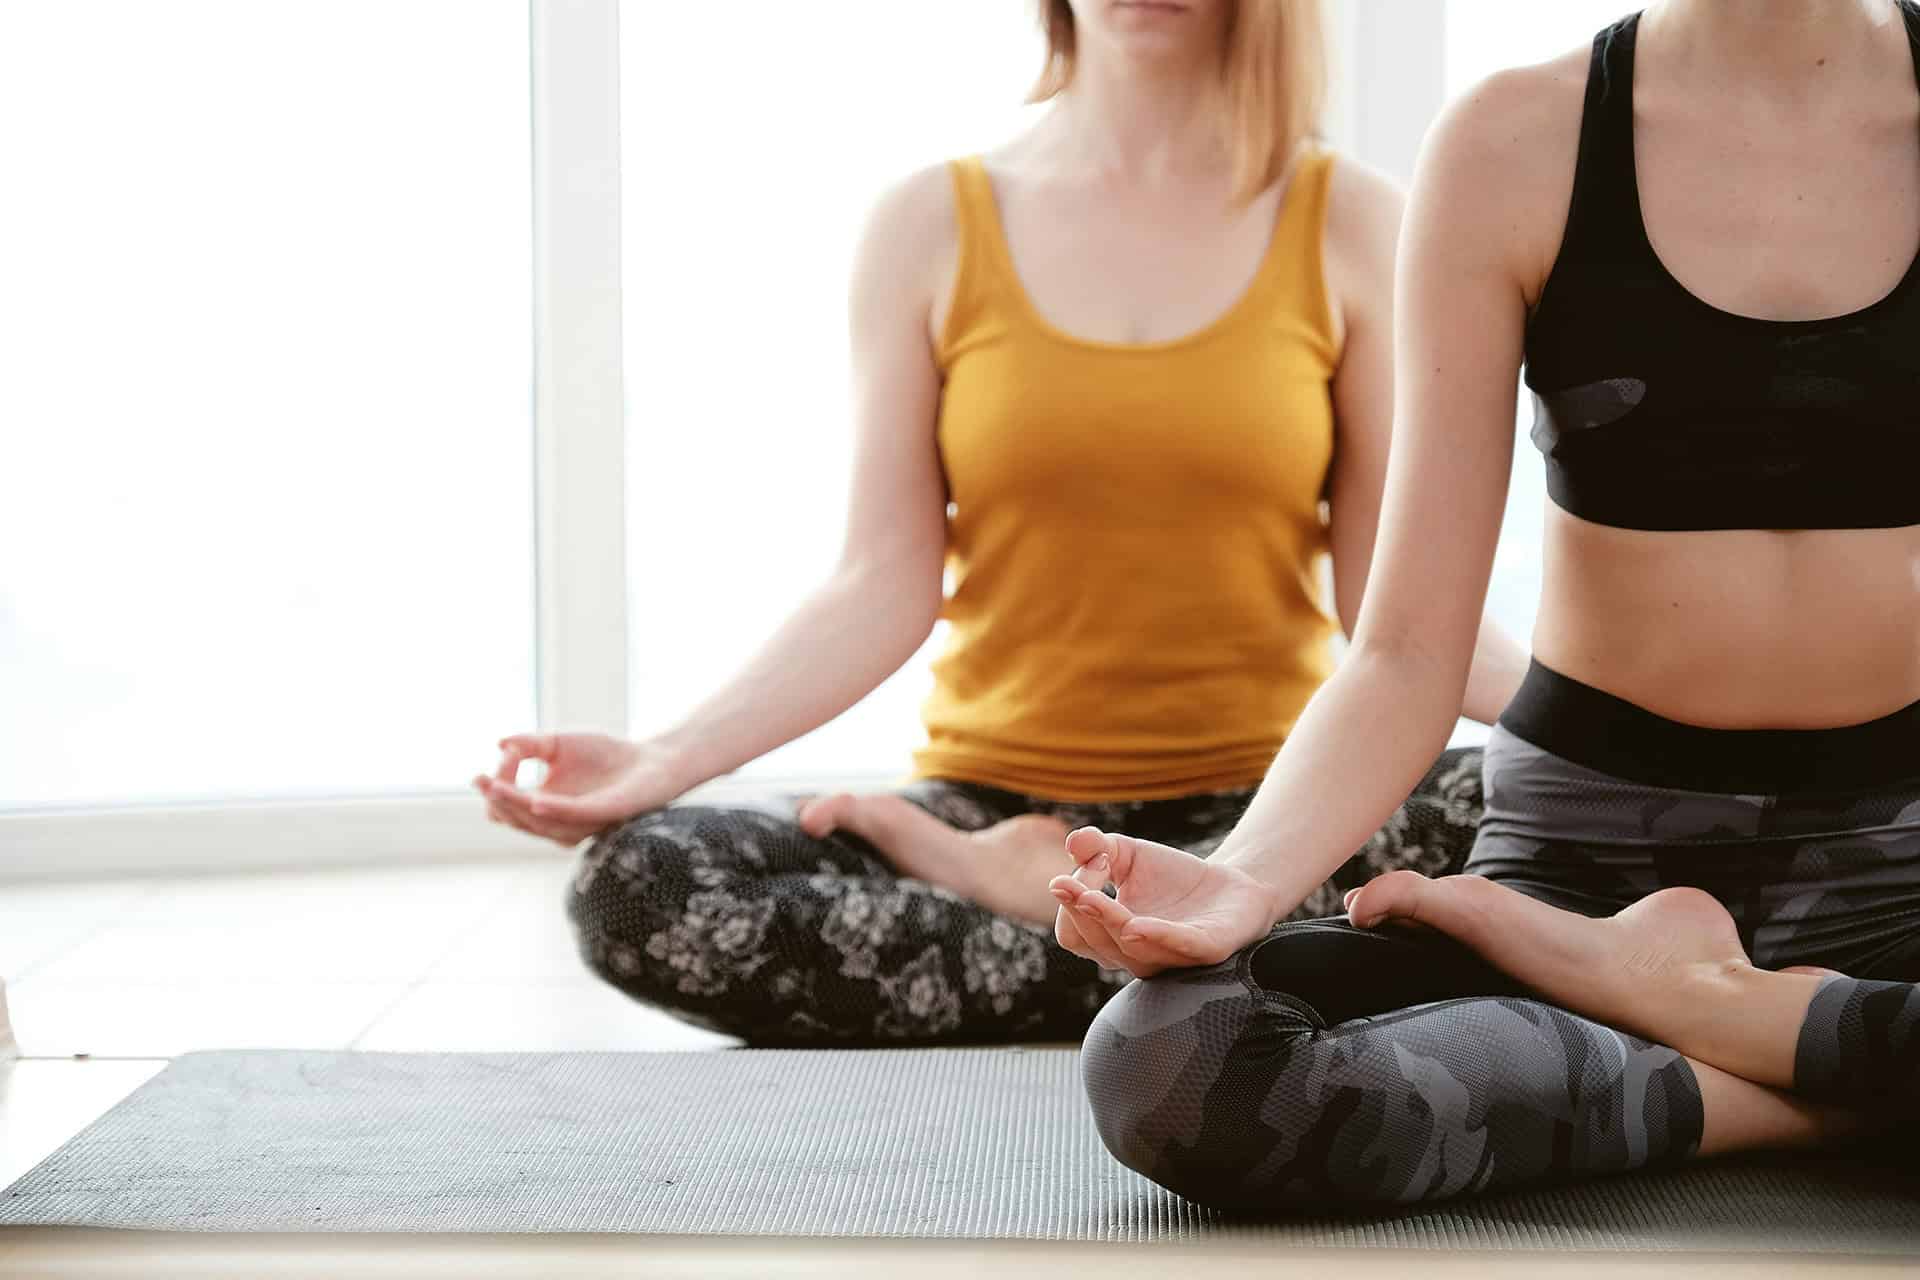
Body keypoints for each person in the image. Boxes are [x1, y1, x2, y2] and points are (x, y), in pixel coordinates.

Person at [475, 0, 1524, 1045]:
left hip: (1271, 819)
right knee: (639, 885)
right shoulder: (927, 225)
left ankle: (1081, 913)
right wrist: (662, 757)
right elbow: (880, 582)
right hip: (985, 810)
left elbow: (1400, 614)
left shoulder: (1357, 222)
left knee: (1528, 805)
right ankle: (1203, 967)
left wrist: (1608, 729)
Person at [1056, 0, 1920, 1208]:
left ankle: (1709, 1013)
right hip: (1585, 874)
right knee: (1176, 1065)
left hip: (1903, 866)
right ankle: (1843, 1080)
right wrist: (1243, 875)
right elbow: (1406, 649)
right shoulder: (1517, 141)